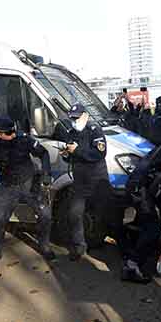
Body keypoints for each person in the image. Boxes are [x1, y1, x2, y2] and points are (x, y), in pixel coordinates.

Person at [0, 116, 55, 272]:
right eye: (8, 133)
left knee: (45, 214)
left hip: (29, 184)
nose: (13, 134)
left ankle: (44, 245)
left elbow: (44, 154)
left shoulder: (24, 140)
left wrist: (47, 173)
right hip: (8, 187)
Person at [56, 103, 110, 261]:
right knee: (74, 214)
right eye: (72, 118)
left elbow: (99, 153)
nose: (74, 121)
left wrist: (77, 151)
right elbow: (71, 154)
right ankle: (79, 247)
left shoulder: (94, 130)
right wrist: (66, 154)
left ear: (85, 116)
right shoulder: (72, 132)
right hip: (80, 181)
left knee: (103, 213)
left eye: (77, 118)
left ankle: (104, 243)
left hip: (97, 179)